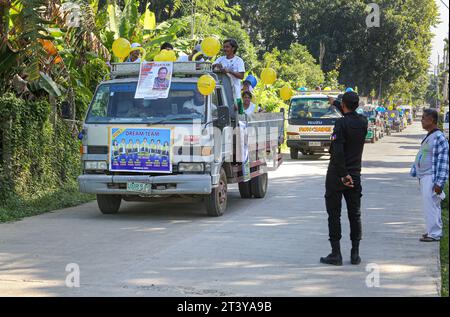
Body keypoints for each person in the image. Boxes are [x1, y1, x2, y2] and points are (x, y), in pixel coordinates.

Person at [320, 91, 368, 266]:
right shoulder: (363, 122)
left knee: (334, 214)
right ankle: (355, 254)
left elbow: (338, 151)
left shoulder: (340, 124)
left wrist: (342, 175)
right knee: (354, 215)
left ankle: (336, 253)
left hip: (337, 175)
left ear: (344, 105)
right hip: (355, 174)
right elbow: (349, 113)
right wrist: (336, 103)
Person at [410, 109, 449, 242]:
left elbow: (444, 161)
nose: (421, 120)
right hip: (424, 176)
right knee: (430, 205)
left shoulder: (439, 137)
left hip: (431, 177)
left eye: (424, 118)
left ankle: (435, 233)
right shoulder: (429, 136)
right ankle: (432, 231)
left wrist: (439, 182)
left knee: (431, 205)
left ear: (431, 120)